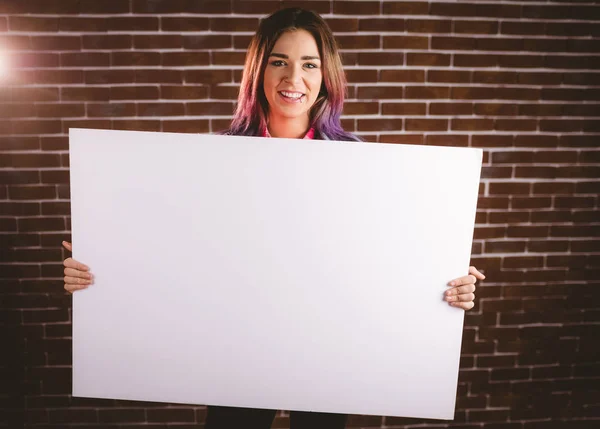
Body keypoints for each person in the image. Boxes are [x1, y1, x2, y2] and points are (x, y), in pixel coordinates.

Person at [62, 7, 485, 429]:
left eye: (309, 64)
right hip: (238, 350)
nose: (292, 78)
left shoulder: (361, 165)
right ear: (258, 72)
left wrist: (444, 280)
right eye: (278, 61)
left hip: (329, 349)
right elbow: (172, 249)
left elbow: (389, 255)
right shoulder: (210, 162)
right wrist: (102, 264)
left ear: (325, 77)